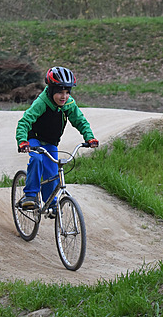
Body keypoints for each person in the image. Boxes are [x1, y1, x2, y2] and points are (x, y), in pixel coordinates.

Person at [15, 66, 99, 217]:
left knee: (52, 172)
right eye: (60, 92)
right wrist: (22, 141)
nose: (64, 96)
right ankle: (30, 195)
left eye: (67, 92)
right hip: (34, 137)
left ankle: (51, 203)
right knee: (37, 159)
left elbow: (80, 121)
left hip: (51, 141)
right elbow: (24, 122)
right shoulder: (42, 102)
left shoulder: (68, 103)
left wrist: (89, 137)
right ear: (52, 90)